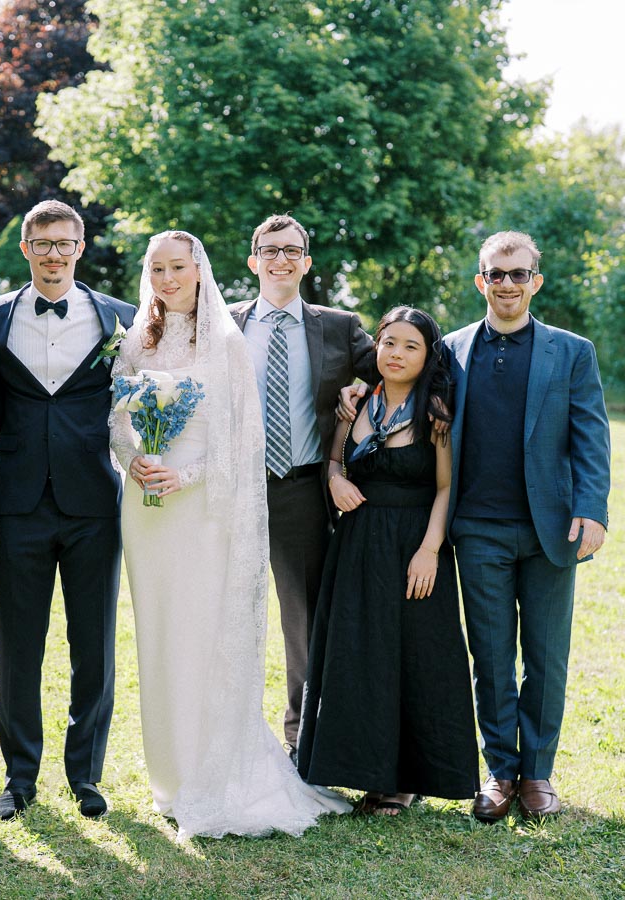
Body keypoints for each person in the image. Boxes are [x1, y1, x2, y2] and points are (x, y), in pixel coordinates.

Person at [112, 230, 351, 840]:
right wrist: (132, 458)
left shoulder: (226, 340)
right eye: (157, 268)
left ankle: (212, 766)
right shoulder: (138, 337)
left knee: (204, 629)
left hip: (204, 506)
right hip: (147, 509)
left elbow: (243, 439)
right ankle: (171, 768)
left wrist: (184, 474)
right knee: (160, 632)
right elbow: (116, 416)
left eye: (178, 267)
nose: (167, 279)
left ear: (199, 270)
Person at [0, 200, 137, 820]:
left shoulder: (120, 318)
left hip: (94, 500)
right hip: (17, 502)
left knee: (93, 643)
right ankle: (19, 777)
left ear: (80, 247)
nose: (54, 254)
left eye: (65, 243)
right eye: (42, 244)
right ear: (26, 249)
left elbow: (143, 398)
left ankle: (86, 774)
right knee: (20, 645)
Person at [445, 231, 611, 822]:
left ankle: (538, 773)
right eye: (497, 274)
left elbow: (591, 436)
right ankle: (500, 771)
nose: (507, 284)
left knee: (546, 654)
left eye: (519, 274)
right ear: (480, 281)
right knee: (489, 655)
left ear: (536, 280)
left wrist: (592, 510)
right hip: (477, 529)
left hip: (553, 529)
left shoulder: (572, 352)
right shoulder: (451, 349)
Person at [295, 306, 479, 815]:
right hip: (355, 545)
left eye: (411, 346)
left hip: (413, 544)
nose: (397, 354)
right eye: (389, 343)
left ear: (428, 355)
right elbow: (335, 459)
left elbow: (445, 488)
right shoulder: (356, 403)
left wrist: (430, 551)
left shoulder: (435, 411)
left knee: (414, 658)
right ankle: (361, 771)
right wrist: (335, 480)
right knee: (359, 657)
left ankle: (403, 781)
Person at [228, 214, 378, 759]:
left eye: (292, 251)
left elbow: (392, 367)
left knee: (304, 622)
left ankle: (302, 741)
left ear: (306, 262)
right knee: (226, 615)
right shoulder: (222, 324)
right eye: (270, 250)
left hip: (300, 492)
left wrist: (361, 397)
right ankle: (229, 737)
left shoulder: (337, 325)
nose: (281, 260)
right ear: (254, 261)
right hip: (232, 491)